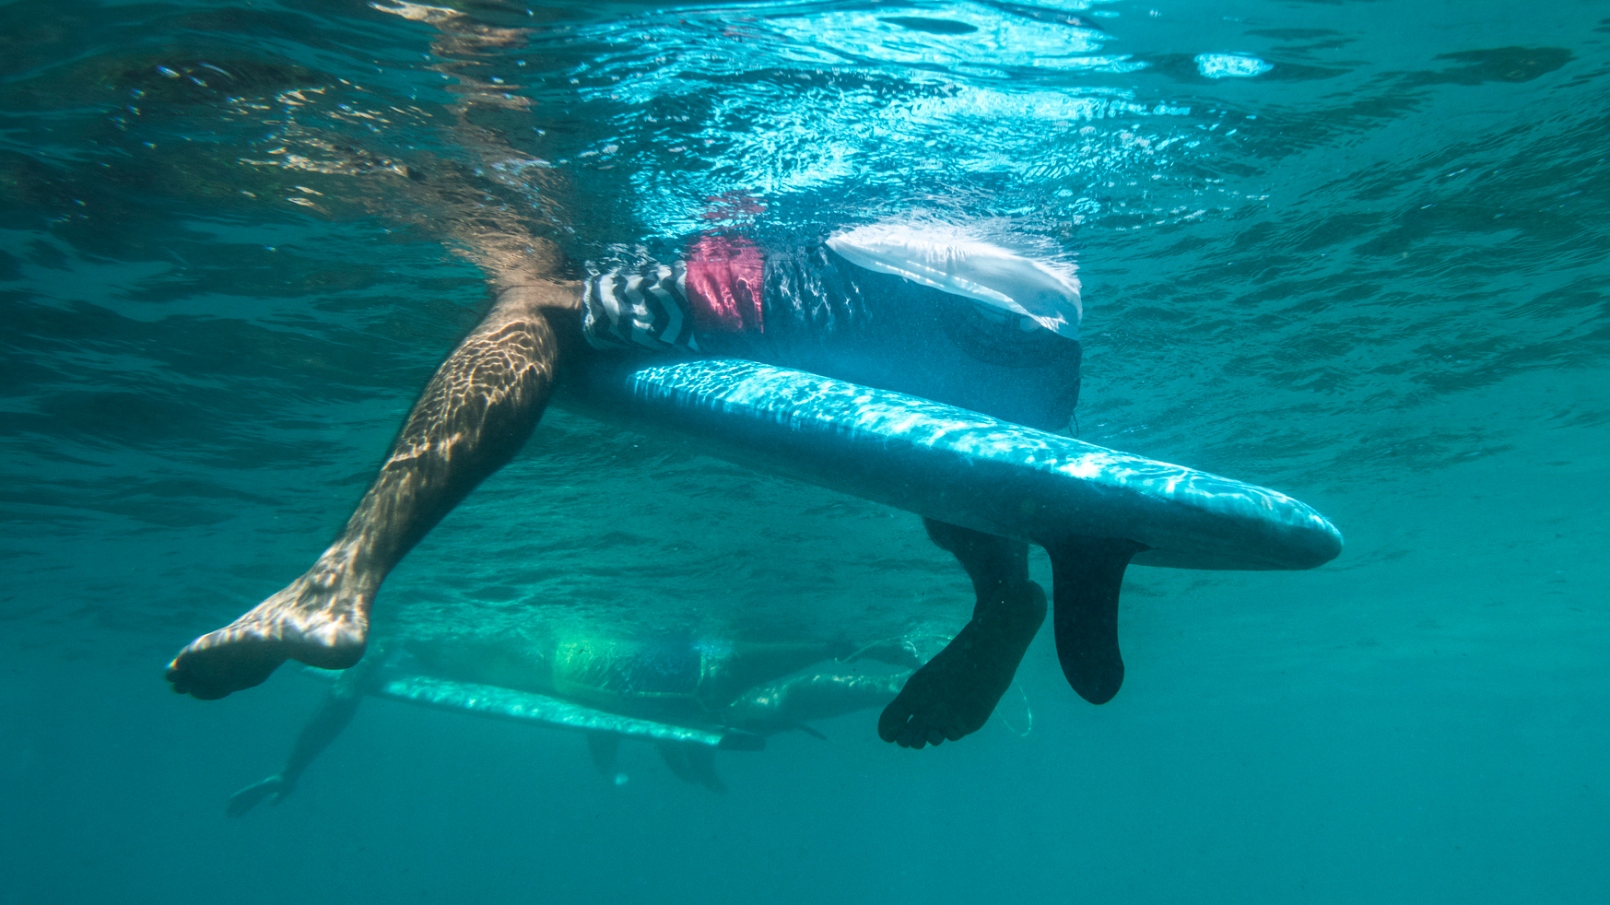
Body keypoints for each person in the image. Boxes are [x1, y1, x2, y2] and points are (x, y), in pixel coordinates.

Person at [164, 2, 1132, 751]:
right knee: (944, 449)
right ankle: (1005, 583)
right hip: (1045, 329)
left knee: (538, 301)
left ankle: (340, 578)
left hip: (881, 285)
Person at [224, 626, 924, 813]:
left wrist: (292, 769)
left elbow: (343, 697)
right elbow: (582, 708)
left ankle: (880, 663)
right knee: (735, 689)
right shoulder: (401, 642)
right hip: (610, 673)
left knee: (738, 693)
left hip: (610, 673)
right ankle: (884, 666)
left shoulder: (397, 643)